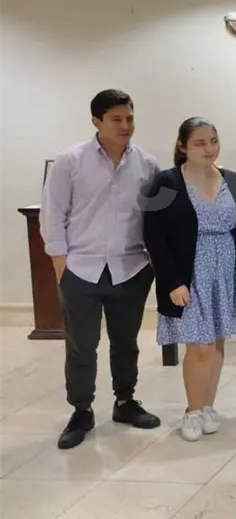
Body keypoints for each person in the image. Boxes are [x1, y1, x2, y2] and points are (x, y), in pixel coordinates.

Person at [41, 89, 163, 450]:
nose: (126, 126)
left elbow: (157, 217)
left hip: (130, 268)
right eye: (117, 119)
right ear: (96, 122)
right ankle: (81, 410)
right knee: (82, 346)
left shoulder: (148, 165)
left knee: (126, 342)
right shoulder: (70, 161)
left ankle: (125, 401)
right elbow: (53, 215)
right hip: (81, 269)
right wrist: (60, 266)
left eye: (130, 118)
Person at [143, 117, 236, 441]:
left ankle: (207, 407)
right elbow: (153, 235)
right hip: (189, 273)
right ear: (182, 146)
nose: (209, 148)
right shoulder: (166, 182)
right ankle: (192, 410)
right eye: (200, 142)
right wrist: (172, 281)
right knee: (199, 346)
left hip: (225, 271)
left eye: (213, 141)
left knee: (216, 342)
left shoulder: (231, 178)